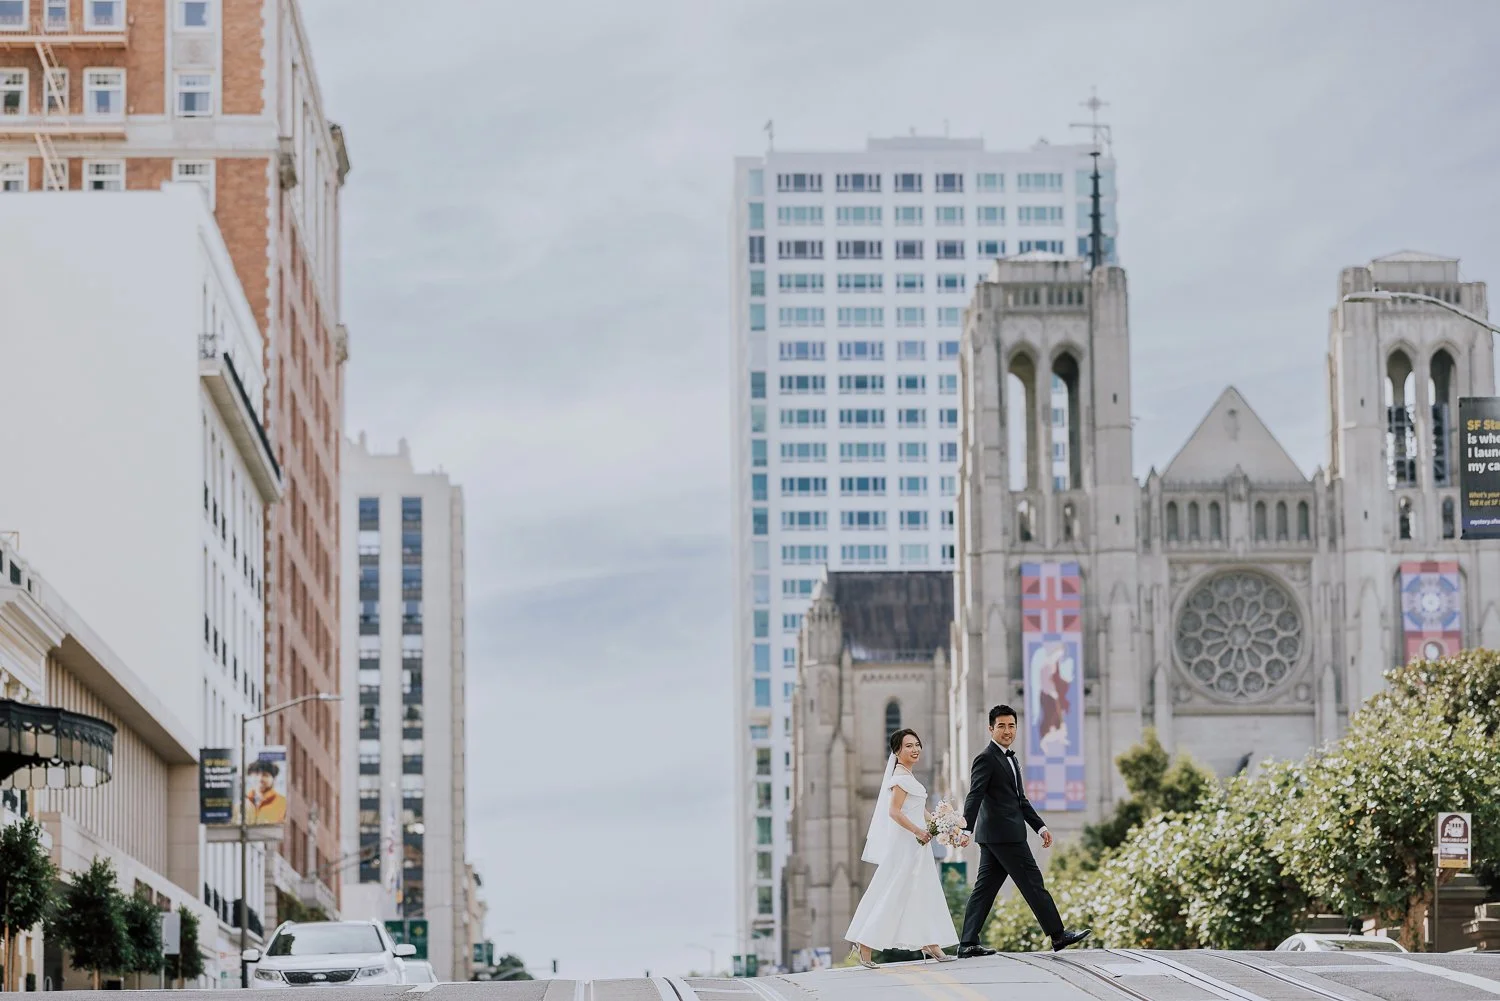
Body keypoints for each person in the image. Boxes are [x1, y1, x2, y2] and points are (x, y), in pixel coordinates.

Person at [955, 705, 1090, 957]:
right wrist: (966, 828)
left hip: (998, 836)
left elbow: (1020, 800)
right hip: (1004, 835)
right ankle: (1058, 934)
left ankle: (967, 943)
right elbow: (975, 794)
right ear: (991, 729)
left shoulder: (1011, 759)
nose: (1007, 731)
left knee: (984, 889)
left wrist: (1040, 826)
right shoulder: (986, 758)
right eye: (1001, 726)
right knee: (1033, 882)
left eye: (1011, 726)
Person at [843, 729, 959, 968]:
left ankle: (930, 942)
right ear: (897, 751)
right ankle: (865, 942)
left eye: (917, 745)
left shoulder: (908, 776)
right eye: (908, 746)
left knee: (922, 891)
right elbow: (894, 812)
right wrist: (918, 831)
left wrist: (944, 826)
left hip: (918, 845)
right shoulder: (900, 778)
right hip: (907, 844)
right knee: (893, 893)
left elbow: (919, 810)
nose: (915, 749)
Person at [245, 759, 287, 824]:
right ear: (250, 777)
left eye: (265, 775)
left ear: (274, 779)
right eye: (256, 774)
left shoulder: (284, 804)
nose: (260, 779)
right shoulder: (243, 803)